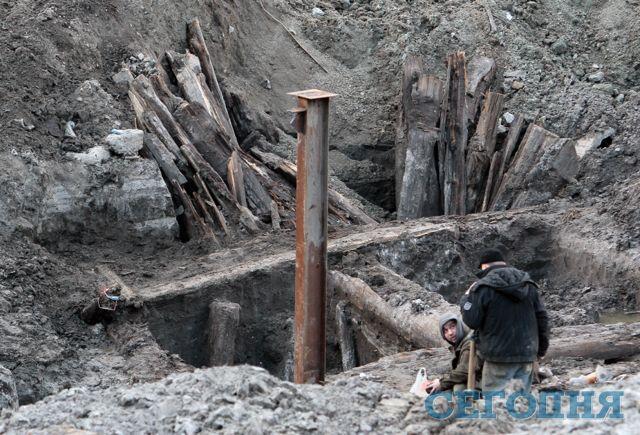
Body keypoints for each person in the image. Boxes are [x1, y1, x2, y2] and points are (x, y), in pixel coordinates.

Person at [459, 248, 550, 393]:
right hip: (526, 355)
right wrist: (541, 350)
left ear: (484, 266)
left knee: (496, 402)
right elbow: (542, 318)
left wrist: (466, 298)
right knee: (520, 401)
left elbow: (472, 321)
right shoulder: (528, 284)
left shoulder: (482, 288)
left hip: (497, 358)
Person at [422, 313, 483, 394]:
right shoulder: (460, 342)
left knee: (458, 389)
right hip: (475, 378)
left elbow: (464, 372)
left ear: (459, 325)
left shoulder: (469, 343)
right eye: (445, 330)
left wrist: (441, 382)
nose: (450, 333)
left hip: (485, 383)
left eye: (452, 327)